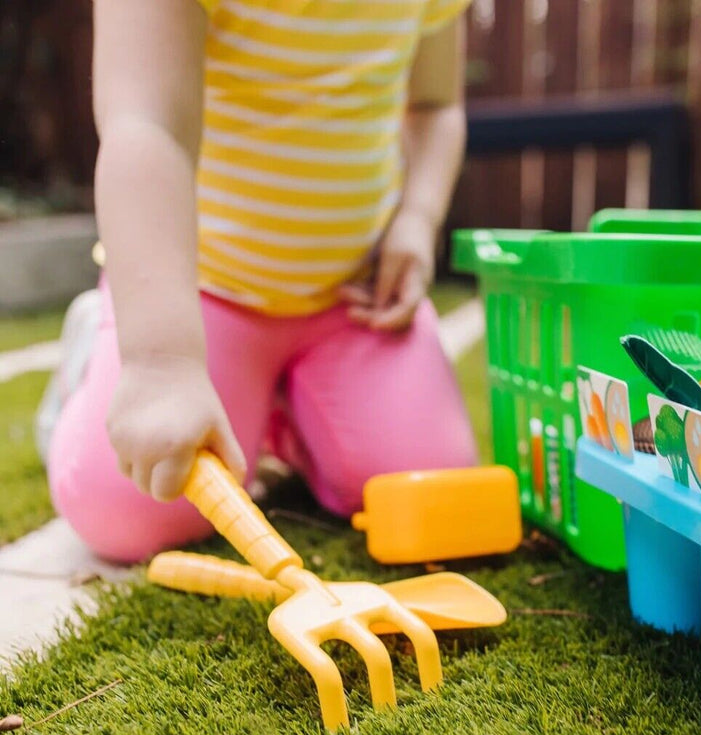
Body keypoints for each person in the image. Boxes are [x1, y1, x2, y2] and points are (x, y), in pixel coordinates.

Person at [39, 0, 478, 563]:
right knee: (127, 509)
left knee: (430, 486)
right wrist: (159, 363)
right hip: (198, 297)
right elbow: (146, 126)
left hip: (353, 301)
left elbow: (436, 107)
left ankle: (283, 408)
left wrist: (416, 219)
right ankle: (104, 346)